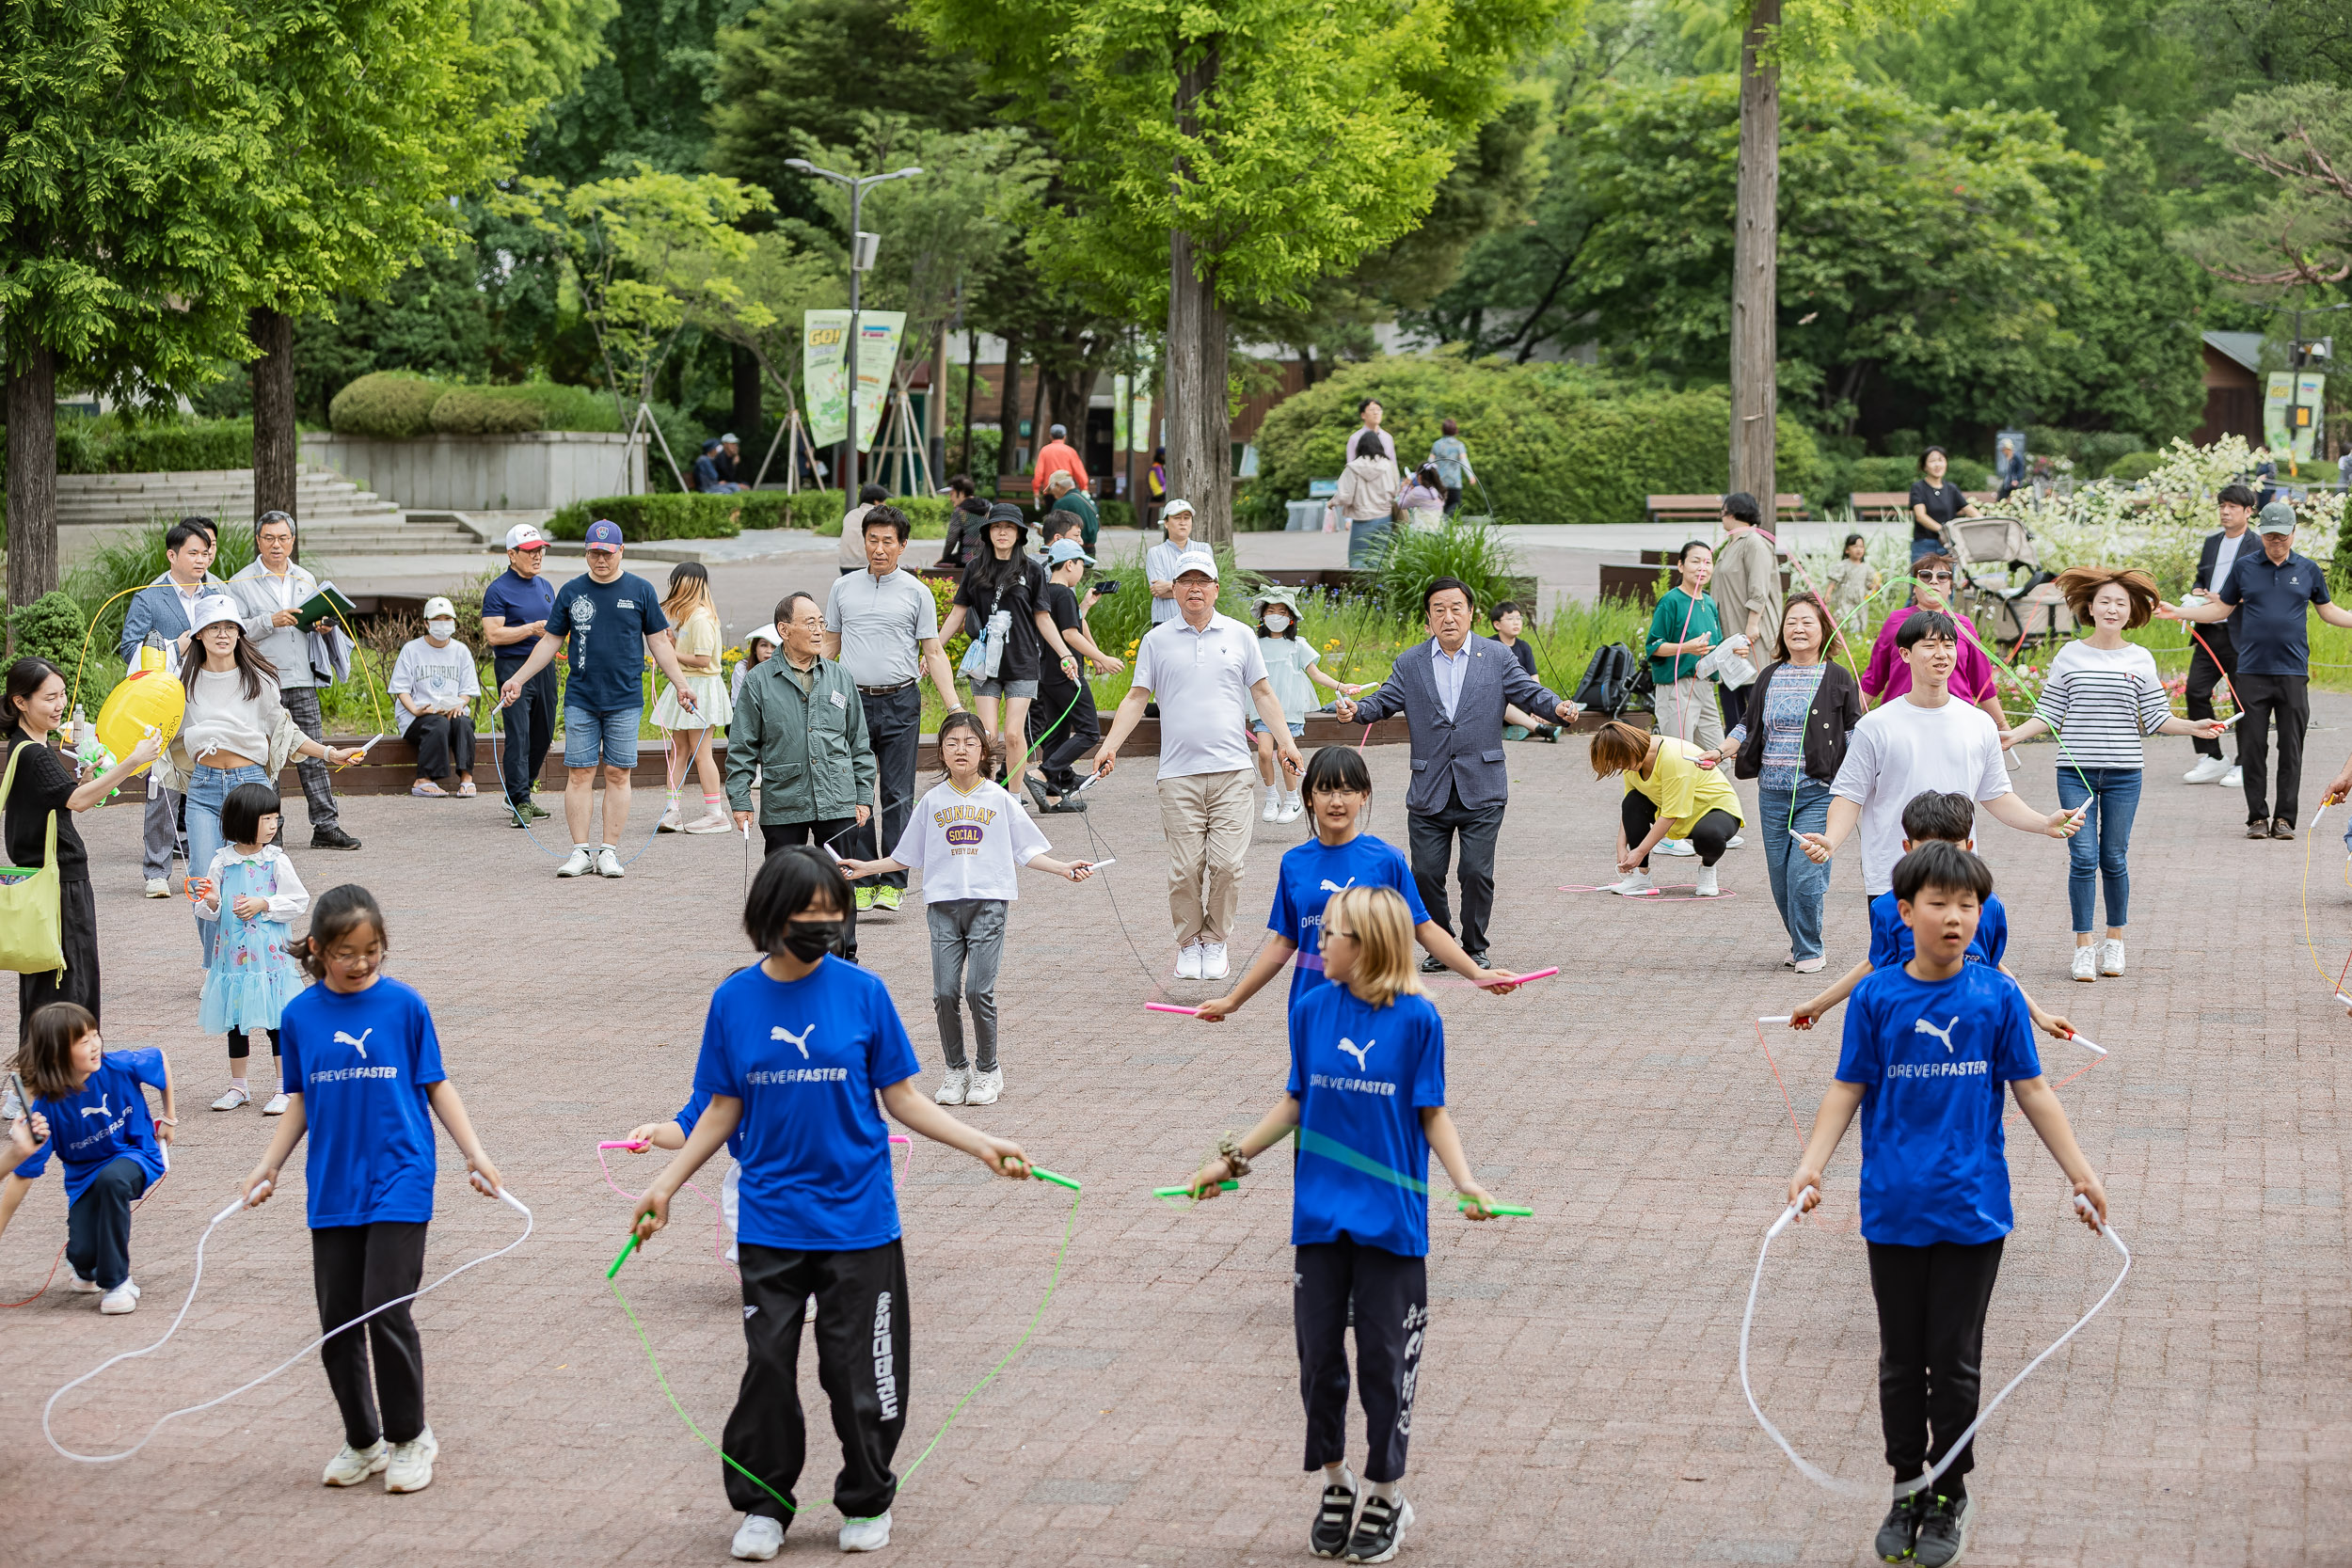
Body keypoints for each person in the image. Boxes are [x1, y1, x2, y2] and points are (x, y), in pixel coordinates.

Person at [625, 847, 1041, 1561]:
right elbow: (722, 1108)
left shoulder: (864, 992)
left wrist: (981, 1143)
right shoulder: (734, 1001)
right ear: (767, 916)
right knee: (767, 1364)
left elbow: (903, 1096)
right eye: (807, 914)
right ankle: (764, 1504)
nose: (822, 925)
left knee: (861, 1367)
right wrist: (665, 1185)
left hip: (859, 1221)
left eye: (832, 913)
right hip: (770, 1220)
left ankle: (866, 1494)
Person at [1784, 841, 2107, 1568]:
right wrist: (1809, 1167)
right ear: (1905, 912)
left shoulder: (1995, 996)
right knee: (1901, 1360)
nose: (1956, 918)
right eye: (1939, 904)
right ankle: (1907, 1484)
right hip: (1892, 1208)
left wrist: (2081, 1174)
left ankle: (1949, 1488)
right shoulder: (1875, 996)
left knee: (1954, 1359)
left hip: (1973, 1210)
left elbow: (2033, 1090)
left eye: (1968, 906)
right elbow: (1847, 1088)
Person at [1173, 885, 1515, 1567]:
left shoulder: (1419, 1018)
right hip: (1320, 1219)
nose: (1317, 944)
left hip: (1391, 1222)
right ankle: (1336, 1480)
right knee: (1318, 1363)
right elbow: (1296, 1100)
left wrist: (1465, 1180)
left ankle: (1387, 1490)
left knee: (1386, 1366)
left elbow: (1432, 1112)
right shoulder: (1309, 1008)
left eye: (1330, 934)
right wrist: (1230, 1158)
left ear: (1366, 945)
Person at [240, 885, 506, 1497]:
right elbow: (300, 1100)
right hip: (333, 1185)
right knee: (338, 1322)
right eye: (346, 952)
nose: (361, 963)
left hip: (402, 1175)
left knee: (385, 1306)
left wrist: (476, 1153)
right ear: (317, 949)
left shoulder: (405, 1007)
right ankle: (364, 1441)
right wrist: (269, 1165)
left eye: (373, 950)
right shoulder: (300, 1016)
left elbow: (436, 1085)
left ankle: (412, 1436)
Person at [835, 711, 1097, 1107]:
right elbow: (907, 855)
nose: (961, 749)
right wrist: (867, 867)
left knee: (978, 990)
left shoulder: (999, 798)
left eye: (970, 742)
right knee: (943, 993)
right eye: (952, 742)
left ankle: (988, 1071)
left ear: (983, 751)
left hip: (988, 904)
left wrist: (1063, 868)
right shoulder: (931, 801)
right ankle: (956, 1070)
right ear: (941, 750)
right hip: (942, 907)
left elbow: (1027, 850)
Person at [1334, 578, 1576, 967]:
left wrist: (1557, 709)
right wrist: (1354, 711)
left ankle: (1475, 946)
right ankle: (1441, 947)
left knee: (1476, 873)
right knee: (1426, 873)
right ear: (1428, 618)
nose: (1449, 617)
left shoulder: (1496, 656)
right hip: (1429, 786)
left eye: (1456, 608)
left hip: (1482, 784)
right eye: (1439, 610)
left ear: (1471, 614)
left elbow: (1530, 693)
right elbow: (1382, 701)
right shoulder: (1410, 662)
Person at [2000, 567, 2226, 980]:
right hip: (2075, 772)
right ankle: (2084, 946)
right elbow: (2050, 712)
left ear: (2131, 611)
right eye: (2105, 601)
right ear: (2090, 606)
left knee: (2114, 857)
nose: (2112, 608)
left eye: (2120, 603)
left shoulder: (2140, 658)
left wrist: (2194, 727)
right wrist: (2014, 735)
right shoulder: (2069, 655)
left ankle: (2115, 941)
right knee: (2082, 858)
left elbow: (2156, 718)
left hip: (2125, 773)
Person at [1092, 553, 1304, 981]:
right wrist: (1110, 744)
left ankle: (1216, 939)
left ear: (1215, 589)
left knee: (1227, 865)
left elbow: (1262, 693)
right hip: (1177, 774)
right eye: (1185, 580)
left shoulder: (1241, 635)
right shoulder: (1157, 640)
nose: (1194, 588)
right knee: (1186, 867)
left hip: (1232, 771)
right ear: (1173, 588)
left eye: (1202, 581)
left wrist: (1287, 744)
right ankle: (1189, 943)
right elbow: (1136, 697)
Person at [1194, 745, 1519, 1022]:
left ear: (1363, 796)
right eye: (1325, 790)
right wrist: (1234, 1000)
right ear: (1308, 798)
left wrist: (1477, 973)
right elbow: (1283, 943)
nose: (1336, 801)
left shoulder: (1386, 860)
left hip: (1380, 1008)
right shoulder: (1294, 863)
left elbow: (1424, 928)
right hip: (1313, 1010)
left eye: (1347, 790)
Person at [1800, 610, 2081, 895]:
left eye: (1948, 645)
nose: (1942, 654)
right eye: (1930, 645)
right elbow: (1849, 796)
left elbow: (1996, 795)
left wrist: (2044, 823)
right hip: (1893, 879)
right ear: (1905, 654)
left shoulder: (1979, 723)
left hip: (1959, 877)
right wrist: (1831, 840)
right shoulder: (1875, 726)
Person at [156, 596, 363, 965]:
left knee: (254, 876)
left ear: (239, 632)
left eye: (230, 627)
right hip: (203, 788)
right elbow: (160, 732)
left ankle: (252, 956)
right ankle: (214, 965)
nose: (223, 634)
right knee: (206, 881)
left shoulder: (259, 678)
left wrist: (331, 754)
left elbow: (287, 733)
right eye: (214, 627)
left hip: (250, 787)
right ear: (199, 635)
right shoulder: (179, 684)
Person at [498, 519, 701, 879]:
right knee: (580, 774)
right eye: (593, 552)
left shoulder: (640, 589)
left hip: (625, 698)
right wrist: (516, 678)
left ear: (621, 551)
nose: (600, 559)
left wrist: (681, 684)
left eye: (607, 553)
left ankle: (609, 851)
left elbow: (657, 641)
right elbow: (550, 641)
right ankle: (579, 851)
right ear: (586, 552)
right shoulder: (572, 590)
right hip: (581, 697)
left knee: (618, 773)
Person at [1787, 791, 2074, 1044]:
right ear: (1908, 849)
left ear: (1969, 847)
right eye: (1928, 848)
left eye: (1952, 847)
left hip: (1972, 1030)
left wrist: (2039, 1015)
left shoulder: (1989, 907)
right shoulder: (1888, 908)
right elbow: (1875, 963)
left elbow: (1992, 966)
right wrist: (1819, 1005)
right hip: (1905, 1031)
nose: (1941, 859)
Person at [2160, 499, 2352, 839]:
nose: (2275, 542)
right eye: (2269, 536)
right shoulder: (2245, 567)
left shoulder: (2308, 570)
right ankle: (2257, 818)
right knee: (2252, 745)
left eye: (2281, 536)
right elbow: (2220, 609)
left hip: (2293, 672)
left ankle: (2285, 819)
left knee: (2291, 747)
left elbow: (2329, 611)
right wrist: (2179, 612)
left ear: (2294, 533)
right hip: (2250, 672)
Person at [3, 657, 162, 1037]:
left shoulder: (25, 747)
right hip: (59, 885)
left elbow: (66, 798)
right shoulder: (36, 754)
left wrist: (92, 778)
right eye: (48, 698)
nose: (59, 705)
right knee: (68, 988)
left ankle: (37, 1083)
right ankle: (52, 1085)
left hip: (46, 881)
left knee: (49, 988)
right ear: (21, 702)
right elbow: (77, 801)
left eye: (61, 696)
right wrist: (133, 761)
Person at [826, 504, 964, 908]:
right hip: (850, 704)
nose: (879, 548)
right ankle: (863, 877)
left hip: (902, 701)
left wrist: (954, 706)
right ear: (863, 542)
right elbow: (831, 645)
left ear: (902, 545)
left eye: (888, 541)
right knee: (856, 790)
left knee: (898, 793)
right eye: (873, 540)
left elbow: (934, 651)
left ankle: (894, 879)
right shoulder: (843, 588)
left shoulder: (916, 591)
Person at [0, 1003, 174, 1315]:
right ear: (57, 1053)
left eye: (96, 1035)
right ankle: (86, 1268)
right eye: (83, 1041)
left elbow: (160, 1059)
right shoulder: (46, 1110)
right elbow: (20, 1178)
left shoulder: (119, 1065)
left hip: (136, 1155)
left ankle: (119, 1282)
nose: (96, 1044)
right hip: (83, 1180)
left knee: (113, 1179)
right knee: (82, 1257)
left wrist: (169, 1118)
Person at [729, 592, 874, 960]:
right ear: (784, 629)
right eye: (809, 623)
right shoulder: (759, 680)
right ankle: (784, 958)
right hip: (784, 799)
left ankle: (843, 958)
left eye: (821, 622)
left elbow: (858, 740)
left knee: (840, 880)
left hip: (838, 797)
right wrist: (741, 798)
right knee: (783, 884)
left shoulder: (839, 675)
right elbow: (742, 745)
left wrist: (862, 794)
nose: (819, 630)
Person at [1728, 594, 1865, 966]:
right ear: (1782, 631)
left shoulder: (1837, 676)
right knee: (1780, 880)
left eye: (1807, 622)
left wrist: (1867, 773)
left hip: (1818, 791)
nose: (1798, 629)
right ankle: (1800, 942)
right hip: (1772, 794)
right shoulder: (1769, 675)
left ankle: (1809, 950)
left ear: (1823, 630)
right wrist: (1722, 750)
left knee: (1805, 876)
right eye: (1791, 622)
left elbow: (1854, 731)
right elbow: (1747, 724)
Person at [231, 510, 358, 849]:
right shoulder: (241, 581)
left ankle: (326, 825)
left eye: (283, 538)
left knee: (314, 753)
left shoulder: (305, 577)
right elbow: (233, 631)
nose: (276, 544)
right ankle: (270, 833)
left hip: (302, 677)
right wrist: (270, 621)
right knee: (266, 757)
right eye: (269, 538)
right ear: (258, 541)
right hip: (261, 680)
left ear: (293, 541)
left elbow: (314, 621)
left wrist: (322, 626)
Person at [118, 516, 225, 895]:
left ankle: (214, 868)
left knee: (215, 778)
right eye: (193, 553)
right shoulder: (149, 597)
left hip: (213, 698)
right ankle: (157, 872)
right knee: (162, 784)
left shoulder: (219, 593)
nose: (202, 560)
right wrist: (175, 646)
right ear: (172, 555)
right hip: (166, 702)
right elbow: (129, 649)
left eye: (206, 552)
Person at [192, 780, 310, 1114]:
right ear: (244, 820)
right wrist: (212, 900)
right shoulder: (221, 862)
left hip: (271, 961)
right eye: (266, 819)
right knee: (236, 1022)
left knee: (277, 1022)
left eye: (276, 818)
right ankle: (238, 1086)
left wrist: (264, 903)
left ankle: (284, 1087)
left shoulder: (276, 861)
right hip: (232, 962)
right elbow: (208, 911)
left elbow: (298, 901)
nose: (274, 825)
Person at [941, 505, 1081, 787]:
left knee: (1015, 734)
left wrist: (1065, 653)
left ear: (1019, 534)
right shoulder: (974, 568)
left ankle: (1014, 798)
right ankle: (988, 794)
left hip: (1023, 661)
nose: (1002, 532)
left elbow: (1043, 618)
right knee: (988, 735)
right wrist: (933, 650)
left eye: (1009, 527)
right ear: (988, 532)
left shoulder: (1032, 570)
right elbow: (957, 613)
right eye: (996, 527)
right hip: (984, 665)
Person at [1859, 553, 2010, 736]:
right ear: (1914, 587)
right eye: (1925, 576)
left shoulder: (1964, 625)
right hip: (1901, 724)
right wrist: (1845, 719)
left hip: (1956, 723)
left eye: (1942, 576)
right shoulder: (1895, 621)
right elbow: (1873, 679)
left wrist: (2002, 725)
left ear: (1951, 588)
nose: (1933, 582)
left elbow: (1982, 682)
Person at [1249, 587, 1365, 823]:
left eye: (1281, 612)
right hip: (1262, 708)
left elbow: (1316, 673)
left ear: (1290, 617)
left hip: (1289, 709)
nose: (1275, 616)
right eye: (1270, 611)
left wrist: (1342, 686)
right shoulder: (1254, 644)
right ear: (1262, 616)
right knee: (1263, 753)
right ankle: (1272, 796)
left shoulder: (1298, 645)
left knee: (1285, 754)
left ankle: (1292, 799)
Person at [1590, 720, 1742, 898]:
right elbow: (1629, 805)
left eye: (1617, 760)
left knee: (1709, 836)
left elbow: (1670, 815)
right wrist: (1621, 847)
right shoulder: (1633, 757)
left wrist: (1638, 852)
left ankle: (1708, 868)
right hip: (1675, 812)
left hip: (1715, 810)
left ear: (1628, 749)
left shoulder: (1673, 758)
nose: (1618, 766)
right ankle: (1641, 876)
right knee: (1633, 801)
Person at [1024, 539, 1122, 813]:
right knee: (1090, 730)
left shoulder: (1047, 592)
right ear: (1070, 564)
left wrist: (1085, 607)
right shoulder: (1064, 593)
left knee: (1057, 734)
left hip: (1047, 672)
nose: (1083, 572)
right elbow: (1069, 633)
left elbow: (1065, 622)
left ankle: (1053, 797)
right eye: (1081, 565)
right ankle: (1042, 774)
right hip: (1066, 673)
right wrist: (1101, 657)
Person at [2181, 483, 2258, 788]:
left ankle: (2246, 763)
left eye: (2233, 507)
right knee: (2195, 691)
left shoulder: (2258, 545)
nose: (2225, 512)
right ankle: (2212, 757)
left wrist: (2227, 599)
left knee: (2245, 701)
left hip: (2243, 634)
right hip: (2208, 631)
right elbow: (2202, 577)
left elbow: (2262, 588)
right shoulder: (2212, 542)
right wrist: (2199, 592)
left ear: (2248, 511)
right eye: (2222, 506)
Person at [482, 522, 559, 829]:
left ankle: (521, 791)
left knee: (545, 733)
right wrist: (531, 629)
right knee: (519, 735)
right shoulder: (499, 589)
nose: (537, 556)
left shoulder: (545, 587)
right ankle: (519, 800)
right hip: (513, 667)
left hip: (545, 667)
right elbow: (493, 634)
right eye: (529, 551)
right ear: (512, 554)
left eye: (540, 549)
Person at [652, 562, 734, 834]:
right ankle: (673, 810)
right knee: (679, 751)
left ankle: (716, 813)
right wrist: (673, 643)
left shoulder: (700, 618)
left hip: (700, 687)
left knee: (701, 752)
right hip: (689, 684)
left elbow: (702, 660)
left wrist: (669, 653)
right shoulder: (690, 618)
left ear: (683, 585)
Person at [388, 595, 482, 800]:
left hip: (450, 711)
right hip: (418, 716)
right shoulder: (411, 650)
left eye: (448, 619)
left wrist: (459, 704)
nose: (443, 624)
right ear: (426, 623)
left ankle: (466, 779)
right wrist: (415, 710)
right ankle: (423, 780)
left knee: (464, 722)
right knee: (438, 723)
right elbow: (401, 688)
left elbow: (467, 690)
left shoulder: (460, 651)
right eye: (437, 619)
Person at [1710, 491, 1783, 735]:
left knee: (1754, 686)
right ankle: (1735, 747)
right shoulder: (1731, 544)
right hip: (1730, 630)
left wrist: (1753, 625)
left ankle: (1763, 747)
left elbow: (1758, 587)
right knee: (1730, 685)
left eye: (1723, 511)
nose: (1721, 516)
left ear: (1731, 513)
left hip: (1752, 631)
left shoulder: (1754, 543)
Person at [1645, 541, 1725, 751]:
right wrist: (1685, 648)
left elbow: (1715, 646)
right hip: (1676, 688)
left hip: (1706, 687)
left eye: (1708, 562)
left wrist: (1733, 650)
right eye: (1696, 561)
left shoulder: (1708, 603)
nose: (1703, 567)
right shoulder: (1671, 601)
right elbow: (1654, 646)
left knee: (1718, 755)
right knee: (1679, 755)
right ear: (1681, 566)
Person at [1327, 429, 1402, 569]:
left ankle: (1359, 589)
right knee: (1379, 559)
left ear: (1360, 447)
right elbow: (1396, 491)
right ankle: (1378, 590)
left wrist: (1332, 502)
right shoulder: (1389, 466)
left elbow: (1345, 496)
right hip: (1385, 517)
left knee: (1358, 558)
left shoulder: (1353, 467)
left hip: (1362, 520)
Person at [1489, 601, 1561, 743]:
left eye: (1519, 618)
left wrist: (1538, 707)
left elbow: (1534, 681)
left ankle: (1517, 729)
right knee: (1499, 698)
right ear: (1497, 625)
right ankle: (1540, 729)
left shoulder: (1524, 647)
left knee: (1548, 706)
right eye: (1510, 619)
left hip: (1522, 703)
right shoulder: (1490, 646)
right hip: (1499, 708)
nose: (1516, 622)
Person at [1907, 445, 1979, 564]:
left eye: (1941, 460)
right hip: (1924, 544)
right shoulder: (1918, 488)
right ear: (1924, 466)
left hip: (1948, 545)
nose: (1937, 465)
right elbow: (1920, 516)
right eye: (1932, 461)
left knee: (1947, 581)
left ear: (1946, 463)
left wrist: (1985, 523)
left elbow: (1969, 510)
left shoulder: (1952, 489)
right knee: (1921, 581)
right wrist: (1943, 531)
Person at [1145, 498, 1210, 624]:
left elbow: (1209, 588)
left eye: (1186, 518)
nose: (1182, 522)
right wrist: (1195, 589)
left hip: (1199, 621)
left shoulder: (1203, 549)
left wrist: (1168, 586)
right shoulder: (1156, 552)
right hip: (1165, 620)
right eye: (1176, 518)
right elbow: (1159, 591)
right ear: (1166, 523)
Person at [1827, 531, 1881, 635]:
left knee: (1860, 617)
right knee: (1846, 617)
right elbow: (1834, 580)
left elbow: (1868, 584)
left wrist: (1874, 587)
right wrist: (1828, 593)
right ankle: (1844, 635)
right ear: (1847, 550)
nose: (1859, 549)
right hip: (1845, 598)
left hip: (1860, 599)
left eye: (1861, 547)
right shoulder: (1844, 565)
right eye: (1855, 546)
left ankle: (1857, 636)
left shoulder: (1866, 568)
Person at [837, 483, 890, 577]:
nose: (885, 504)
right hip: (866, 565)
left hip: (845, 564)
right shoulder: (879, 517)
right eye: (884, 501)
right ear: (876, 502)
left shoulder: (850, 514)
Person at [1044, 468, 1100, 553]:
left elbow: (1052, 532)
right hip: (1090, 552)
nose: (1052, 494)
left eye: (1051, 490)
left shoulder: (1062, 503)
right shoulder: (1085, 499)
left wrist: (1042, 531)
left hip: (1073, 553)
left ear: (1058, 486)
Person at [1029, 421, 1089, 500]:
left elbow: (1039, 473)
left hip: (1050, 490)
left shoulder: (1045, 450)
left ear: (1050, 436)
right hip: (1066, 490)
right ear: (1065, 437)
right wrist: (1084, 487)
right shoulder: (1070, 451)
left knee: (1052, 512)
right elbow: (1079, 472)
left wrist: (1036, 489)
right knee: (1067, 513)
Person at [1428, 418, 1474, 515]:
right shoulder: (1459, 445)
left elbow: (1430, 462)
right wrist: (1471, 476)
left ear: (1443, 430)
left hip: (1440, 482)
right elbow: (1464, 461)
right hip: (1455, 482)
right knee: (1455, 504)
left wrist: (1429, 478)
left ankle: (1442, 525)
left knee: (1440, 506)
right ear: (1455, 430)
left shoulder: (1436, 444)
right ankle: (1448, 523)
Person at [939, 492, 992, 571]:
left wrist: (945, 557)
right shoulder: (989, 507)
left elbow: (951, 539)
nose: (950, 498)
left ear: (961, 494)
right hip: (988, 558)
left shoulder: (960, 511)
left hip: (967, 558)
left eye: (951, 494)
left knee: (940, 564)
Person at [732, 625, 779, 708]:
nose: (769, 651)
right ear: (755, 648)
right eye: (763, 645)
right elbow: (739, 702)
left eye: (774, 646)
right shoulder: (742, 668)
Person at [1397, 463, 1447, 531]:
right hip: (1438, 530)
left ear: (1419, 476)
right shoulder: (1438, 491)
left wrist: (1406, 486)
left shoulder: (1419, 491)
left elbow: (1401, 504)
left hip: (1422, 532)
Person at [1353, 398, 1396, 464]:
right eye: (1372, 410)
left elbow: (1393, 464)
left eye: (1379, 410)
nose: (1376, 413)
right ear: (1363, 415)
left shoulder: (1388, 438)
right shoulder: (1355, 438)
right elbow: (1351, 465)